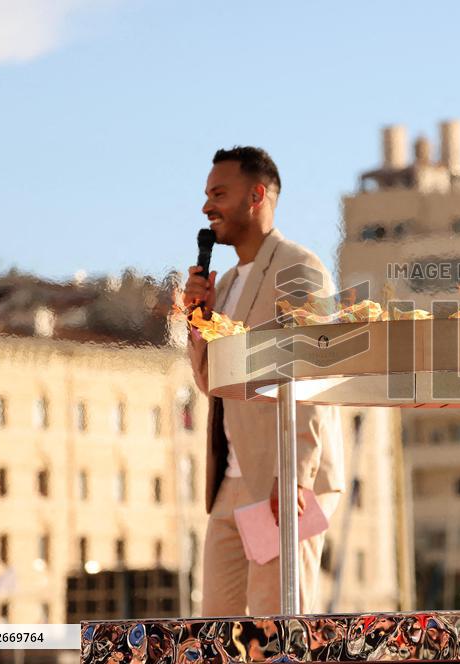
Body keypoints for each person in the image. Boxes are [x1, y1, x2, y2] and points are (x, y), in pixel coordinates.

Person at [183, 146, 345, 616]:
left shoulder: (298, 269)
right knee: (216, 631)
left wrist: (293, 476)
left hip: (279, 479)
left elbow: (314, 371)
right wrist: (200, 319)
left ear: (256, 196)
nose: (207, 206)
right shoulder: (228, 283)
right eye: (206, 194)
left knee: (275, 627)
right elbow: (212, 383)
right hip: (230, 484)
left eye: (219, 193)